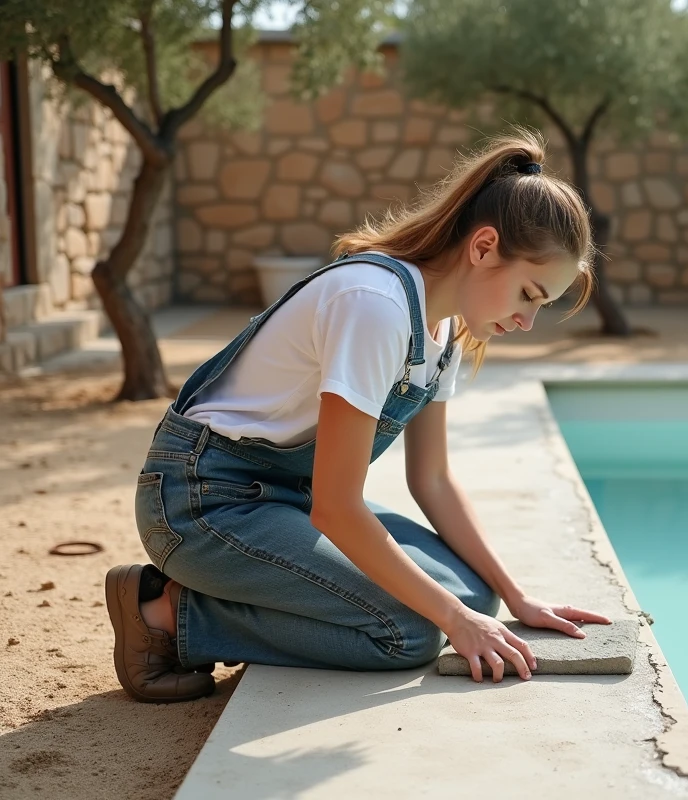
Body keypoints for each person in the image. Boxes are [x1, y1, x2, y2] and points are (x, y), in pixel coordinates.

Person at [105, 129, 612, 703]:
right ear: (483, 246)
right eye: (528, 293)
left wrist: (517, 596)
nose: (526, 320)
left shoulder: (444, 329)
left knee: (474, 595)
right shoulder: (375, 305)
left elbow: (434, 480)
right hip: (200, 502)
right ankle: (167, 611)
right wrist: (451, 621)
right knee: (410, 631)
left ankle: (241, 591)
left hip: (284, 496)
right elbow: (338, 507)